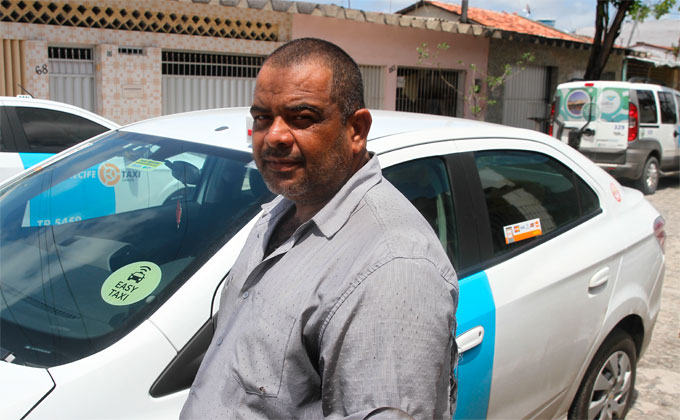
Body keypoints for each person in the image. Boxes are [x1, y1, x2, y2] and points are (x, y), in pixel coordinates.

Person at [180, 38, 458, 420]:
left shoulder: (393, 269)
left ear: (356, 129)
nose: (274, 136)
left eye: (302, 117)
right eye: (262, 118)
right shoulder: (284, 208)